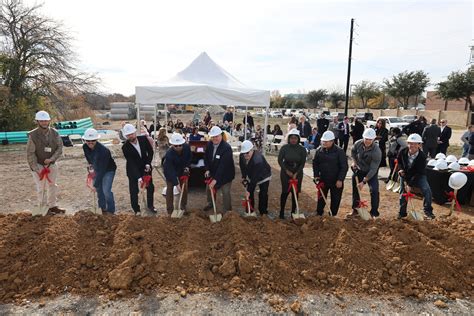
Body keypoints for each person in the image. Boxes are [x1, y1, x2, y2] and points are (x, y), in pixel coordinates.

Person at [26, 111, 65, 215]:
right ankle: (43, 208)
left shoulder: (55, 133)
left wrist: (52, 159)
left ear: (49, 121)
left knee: (52, 185)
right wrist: (36, 169)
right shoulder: (33, 135)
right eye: (41, 121)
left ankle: (52, 206)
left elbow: (59, 148)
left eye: (45, 120)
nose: (44, 122)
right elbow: (30, 154)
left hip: (51, 164)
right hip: (38, 164)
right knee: (41, 187)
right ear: (37, 121)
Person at [397, 133, 435, 219]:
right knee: (403, 193)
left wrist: (409, 184)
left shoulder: (422, 156)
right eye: (410, 143)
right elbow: (399, 161)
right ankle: (402, 213)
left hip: (419, 175)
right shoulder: (403, 152)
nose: (412, 145)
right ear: (408, 144)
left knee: (427, 190)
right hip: (405, 174)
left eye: (415, 143)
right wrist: (400, 169)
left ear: (419, 145)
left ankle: (428, 211)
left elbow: (418, 172)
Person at [122, 123, 156, 214]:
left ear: (135, 132)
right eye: (128, 135)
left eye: (131, 134)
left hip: (145, 167)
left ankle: (150, 205)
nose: (130, 136)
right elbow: (131, 163)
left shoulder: (143, 139)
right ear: (125, 136)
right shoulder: (125, 147)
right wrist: (139, 178)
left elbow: (150, 151)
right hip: (132, 170)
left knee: (150, 187)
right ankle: (136, 209)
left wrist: (148, 163)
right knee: (133, 191)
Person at [313, 131, 348, 216]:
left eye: (326, 141)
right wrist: (316, 175)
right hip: (323, 179)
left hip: (336, 180)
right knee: (321, 198)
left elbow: (344, 167)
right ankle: (319, 213)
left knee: (335, 199)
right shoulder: (319, 150)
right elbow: (315, 163)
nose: (324, 143)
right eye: (323, 141)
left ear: (332, 141)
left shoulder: (339, 151)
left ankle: (333, 215)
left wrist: (340, 179)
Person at [82, 128, 117, 215]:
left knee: (106, 190)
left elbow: (102, 170)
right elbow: (88, 157)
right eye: (88, 140)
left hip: (108, 170)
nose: (90, 142)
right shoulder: (85, 147)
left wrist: (95, 184)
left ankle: (110, 210)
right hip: (97, 168)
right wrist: (90, 165)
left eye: (93, 140)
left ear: (96, 139)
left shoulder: (104, 151)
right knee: (99, 191)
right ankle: (102, 209)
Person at [350, 128, 382, 218]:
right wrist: (354, 162)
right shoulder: (358, 143)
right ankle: (355, 209)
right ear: (363, 137)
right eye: (366, 139)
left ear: (373, 139)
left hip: (371, 172)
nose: (367, 141)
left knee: (374, 190)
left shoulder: (377, 151)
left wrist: (363, 182)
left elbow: (373, 169)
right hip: (359, 170)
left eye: (370, 139)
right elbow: (352, 152)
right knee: (355, 190)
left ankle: (374, 212)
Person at [203, 126, 235, 212]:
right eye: (213, 137)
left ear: (221, 135)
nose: (215, 138)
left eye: (216, 136)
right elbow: (206, 157)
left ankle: (228, 211)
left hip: (225, 175)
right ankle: (210, 203)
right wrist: (207, 169)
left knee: (225, 192)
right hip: (213, 171)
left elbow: (223, 166)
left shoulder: (226, 148)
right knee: (208, 188)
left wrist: (215, 180)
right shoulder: (209, 144)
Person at [278, 129, 307, 219]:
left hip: (297, 172)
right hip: (286, 171)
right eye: (291, 138)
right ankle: (281, 212)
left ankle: (293, 212)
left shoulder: (302, 149)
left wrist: (296, 173)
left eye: (295, 138)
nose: (293, 140)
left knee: (295, 192)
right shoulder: (284, 148)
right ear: (289, 138)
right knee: (285, 192)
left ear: (298, 139)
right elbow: (280, 160)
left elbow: (302, 163)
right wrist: (286, 171)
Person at [239, 140, 272, 215]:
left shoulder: (258, 160)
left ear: (252, 150)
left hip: (264, 175)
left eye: (247, 153)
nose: (245, 155)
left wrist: (248, 190)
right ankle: (250, 211)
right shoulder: (242, 156)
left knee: (263, 193)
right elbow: (242, 167)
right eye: (244, 153)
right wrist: (244, 177)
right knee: (250, 192)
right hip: (252, 174)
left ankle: (263, 212)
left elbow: (254, 179)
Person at [163, 133, 192, 215]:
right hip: (170, 172)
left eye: (180, 145)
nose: (178, 147)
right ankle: (170, 210)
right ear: (172, 145)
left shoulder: (186, 147)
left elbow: (189, 157)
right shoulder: (169, 154)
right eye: (176, 146)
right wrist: (176, 183)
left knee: (184, 188)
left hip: (182, 170)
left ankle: (183, 206)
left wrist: (187, 166)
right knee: (170, 189)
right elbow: (170, 170)